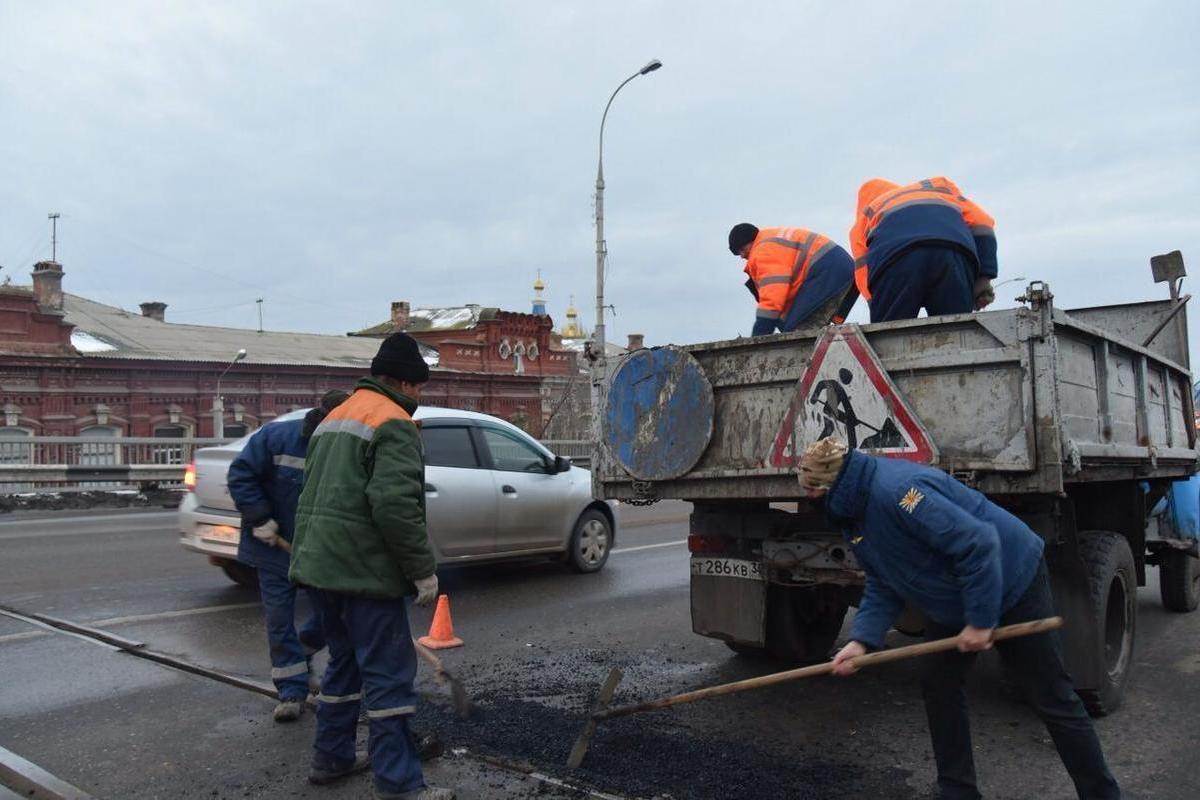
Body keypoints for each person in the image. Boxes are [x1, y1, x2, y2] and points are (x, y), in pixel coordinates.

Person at [798, 437, 1120, 800]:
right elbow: (883, 579)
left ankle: (1102, 794)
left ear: (827, 485)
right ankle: (958, 791)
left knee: (1052, 696)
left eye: (809, 490)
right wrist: (862, 640)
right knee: (940, 686)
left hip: (1012, 577)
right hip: (955, 595)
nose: (807, 497)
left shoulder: (899, 494)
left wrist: (980, 622)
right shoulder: (851, 510)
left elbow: (978, 544)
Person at [290, 332, 454, 800]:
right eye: (418, 388)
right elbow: (394, 504)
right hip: (364, 573)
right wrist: (422, 569)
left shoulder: (333, 418)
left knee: (343, 665)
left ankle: (333, 757)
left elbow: (317, 495)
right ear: (403, 382)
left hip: (320, 569)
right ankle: (399, 784)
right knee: (388, 677)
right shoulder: (394, 422)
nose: (418, 398)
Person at [227, 388, 349, 723]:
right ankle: (291, 691)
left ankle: (304, 650)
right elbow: (240, 475)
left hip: (317, 551)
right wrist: (260, 517)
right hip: (274, 547)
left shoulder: (343, 445)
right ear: (321, 416)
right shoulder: (277, 437)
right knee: (279, 620)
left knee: (332, 615)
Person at [849, 177, 998, 322]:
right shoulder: (938, 189)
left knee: (890, 336)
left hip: (895, 260)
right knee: (956, 329)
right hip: (952, 253)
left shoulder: (868, 213)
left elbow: (862, 269)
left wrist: (878, 305)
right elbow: (982, 222)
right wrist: (983, 278)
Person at [728, 223, 858, 336]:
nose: (742, 256)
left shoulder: (762, 252)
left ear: (751, 240)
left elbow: (773, 297)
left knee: (800, 333)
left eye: (742, 250)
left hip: (828, 272)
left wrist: (759, 338)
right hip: (834, 269)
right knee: (799, 327)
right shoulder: (770, 240)